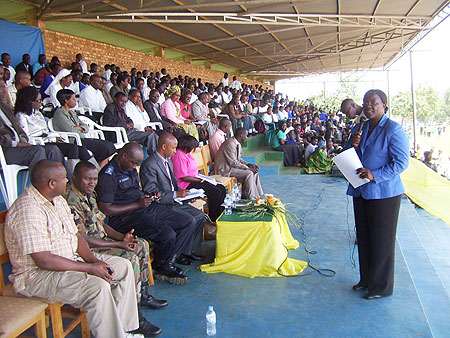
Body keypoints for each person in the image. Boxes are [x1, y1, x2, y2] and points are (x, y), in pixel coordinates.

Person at [4, 160, 148, 338]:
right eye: (64, 178)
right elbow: (44, 260)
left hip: (70, 260)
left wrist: (95, 261)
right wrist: (89, 268)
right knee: (97, 287)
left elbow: (77, 237)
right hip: (37, 276)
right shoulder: (28, 210)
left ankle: (123, 330)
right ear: (52, 184)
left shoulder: (57, 200)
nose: (67, 181)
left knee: (123, 267)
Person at [65, 161, 167, 336]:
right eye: (87, 179)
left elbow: (101, 225)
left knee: (140, 244)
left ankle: (141, 295)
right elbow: (83, 239)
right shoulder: (70, 201)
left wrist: (123, 238)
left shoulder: (88, 194)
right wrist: (118, 244)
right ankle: (135, 317)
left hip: (101, 243)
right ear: (75, 177)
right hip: (87, 251)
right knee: (130, 259)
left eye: (94, 179)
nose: (92, 183)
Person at [96, 142, 195, 284]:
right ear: (124, 156)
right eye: (133, 163)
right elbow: (106, 209)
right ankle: (163, 267)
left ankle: (167, 262)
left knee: (187, 221)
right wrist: (136, 204)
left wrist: (147, 196)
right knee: (167, 234)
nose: (134, 167)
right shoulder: (108, 175)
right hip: (124, 218)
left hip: (143, 207)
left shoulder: (128, 167)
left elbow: (134, 192)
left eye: (137, 164)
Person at [348, 89, 409, 299]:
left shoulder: (393, 129)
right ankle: (366, 280)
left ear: (384, 105)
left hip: (385, 193)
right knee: (364, 237)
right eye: (365, 102)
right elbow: (350, 154)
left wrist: (375, 175)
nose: (368, 106)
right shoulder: (360, 127)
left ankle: (381, 287)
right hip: (361, 190)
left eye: (373, 102)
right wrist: (352, 144)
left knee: (382, 240)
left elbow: (402, 163)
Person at [139, 134, 205, 262]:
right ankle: (175, 255)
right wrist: (175, 195)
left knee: (200, 216)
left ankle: (188, 250)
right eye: (173, 148)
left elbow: (173, 185)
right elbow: (151, 193)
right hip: (160, 205)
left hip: (174, 201)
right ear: (164, 147)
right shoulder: (150, 164)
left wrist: (185, 195)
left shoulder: (168, 160)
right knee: (189, 220)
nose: (175, 151)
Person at [14, 86, 94, 178]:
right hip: (38, 143)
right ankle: (70, 179)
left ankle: (92, 175)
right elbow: (26, 138)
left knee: (77, 148)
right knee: (63, 149)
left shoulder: (38, 113)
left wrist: (53, 137)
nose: (41, 103)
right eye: (39, 100)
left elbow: (46, 131)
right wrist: (47, 138)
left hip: (48, 139)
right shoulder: (21, 116)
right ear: (30, 101)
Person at [52, 89, 116, 168]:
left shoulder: (72, 113)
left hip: (81, 137)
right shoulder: (60, 113)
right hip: (73, 140)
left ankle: (100, 169)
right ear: (66, 101)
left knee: (109, 145)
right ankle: (98, 170)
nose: (76, 101)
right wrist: (79, 129)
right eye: (73, 99)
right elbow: (71, 130)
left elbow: (85, 126)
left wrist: (80, 128)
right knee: (104, 147)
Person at [171, 135, 226, 222]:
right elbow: (183, 177)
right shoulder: (179, 156)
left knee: (221, 188)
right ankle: (213, 217)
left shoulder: (186, 154)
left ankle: (220, 212)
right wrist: (201, 181)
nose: (194, 149)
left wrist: (202, 178)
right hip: (185, 184)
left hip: (194, 179)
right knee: (215, 192)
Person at [0, 101, 63, 170]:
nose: (4, 92)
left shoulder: (4, 106)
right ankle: (41, 180)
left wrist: (23, 140)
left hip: (18, 145)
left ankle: (65, 179)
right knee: (37, 151)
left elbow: (18, 128)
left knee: (52, 149)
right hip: (5, 149)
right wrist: (16, 144)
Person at [214, 127, 263, 200]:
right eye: (246, 135)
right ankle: (252, 198)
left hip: (231, 167)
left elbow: (238, 159)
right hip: (224, 169)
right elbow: (233, 162)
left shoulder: (237, 143)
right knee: (249, 173)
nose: (246, 137)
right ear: (241, 135)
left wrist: (249, 164)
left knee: (254, 171)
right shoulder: (230, 143)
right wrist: (248, 168)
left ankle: (257, 197)